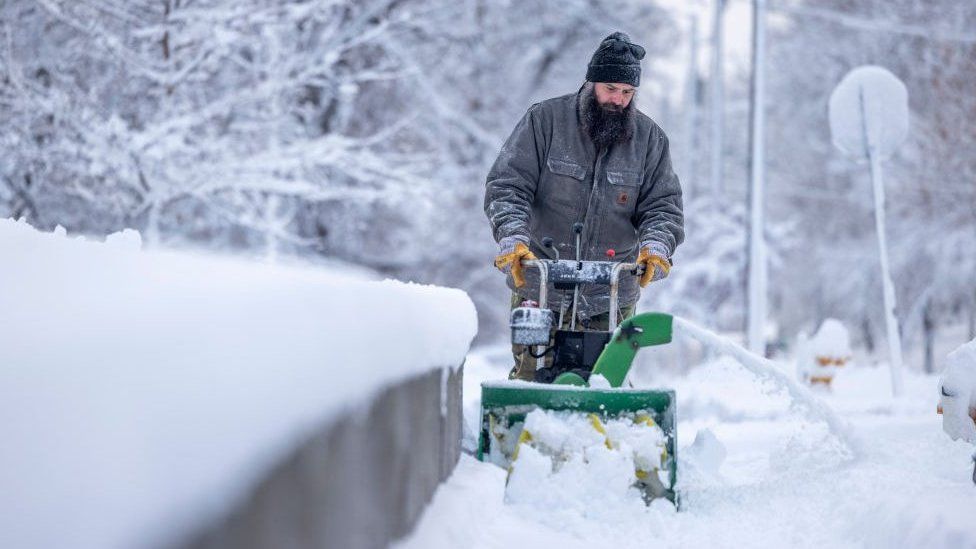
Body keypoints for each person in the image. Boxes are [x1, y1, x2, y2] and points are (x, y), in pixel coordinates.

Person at [483, 31, 685, 381]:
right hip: (540, 283)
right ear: (590, 82)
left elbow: (663, 207)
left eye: (627, 93)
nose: (618, 100)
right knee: (532, 381)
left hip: (611, 293)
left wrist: (655, 246)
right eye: (610, 89)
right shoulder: (544, 122)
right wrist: (513, 236)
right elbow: (508, 185)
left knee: (606, 388)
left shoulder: (650, 140)